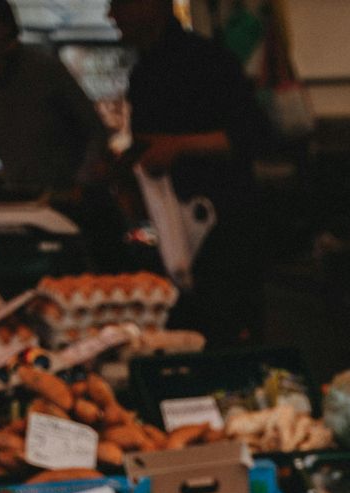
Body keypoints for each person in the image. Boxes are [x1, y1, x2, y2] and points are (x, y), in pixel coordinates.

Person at [109, 0, 267, 340]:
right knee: (181, 330)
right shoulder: (143, 70)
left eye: (118, 4)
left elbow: (253, 133)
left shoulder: (206, 59)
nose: (112, 15)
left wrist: (176, 146)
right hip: (171, 227)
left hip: (223, 225)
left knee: (225, 332)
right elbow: (145, 142)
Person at [0, 0, 106, 196]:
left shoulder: (43, 69)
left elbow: (94, 129)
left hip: (63, 194)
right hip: (19, 193)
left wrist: (82, 181)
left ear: (5, 25)